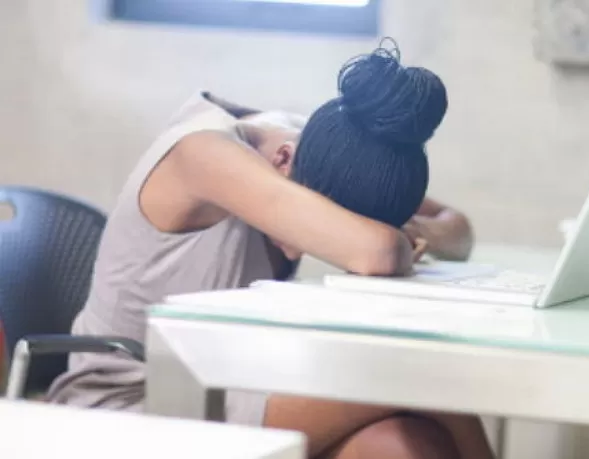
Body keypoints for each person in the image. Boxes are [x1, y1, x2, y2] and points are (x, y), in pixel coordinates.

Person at [47, 42, 490, 459]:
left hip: (229, 383)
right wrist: (377, 236)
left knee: (405, 444)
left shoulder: (325, 146)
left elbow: (459, 230)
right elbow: (379, 253)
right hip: (132, 405)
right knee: (419, 374)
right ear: (282, 159)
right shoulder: (203, 153)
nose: (297, 249)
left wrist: (399, 225)